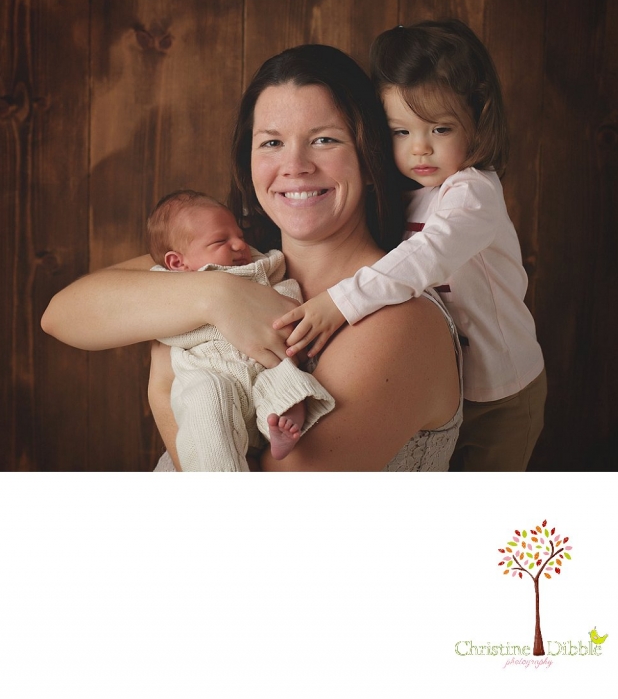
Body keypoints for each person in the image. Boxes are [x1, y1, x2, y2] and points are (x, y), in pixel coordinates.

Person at [41, 43, 462, 472]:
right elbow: (62, 315)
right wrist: (215, 296)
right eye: (272, 142)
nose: (294, 165)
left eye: (324, 140)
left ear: (369, 160)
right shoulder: (236, 258)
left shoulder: (398, 320)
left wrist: (163, 382)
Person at [273, 20, 546, 472]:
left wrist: (340, 302)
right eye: (401, 132)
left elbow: (428, 255)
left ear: (477, 121)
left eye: (439, 129)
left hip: (504, 393)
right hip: (449, 386)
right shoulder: (406, 195)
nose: (420, 149)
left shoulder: (473, 191)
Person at [145, 188, 334, 470]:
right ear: (177, 262)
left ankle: (282, 427)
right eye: (221, 241)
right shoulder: (170, 288)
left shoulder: (263, 268)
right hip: (212, 371)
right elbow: (163, 325)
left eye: (240, 236)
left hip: (262, 371)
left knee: (286, 379)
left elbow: (286, 296)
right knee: (207, 395)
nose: (239, 245)